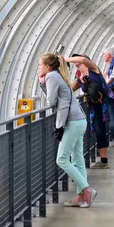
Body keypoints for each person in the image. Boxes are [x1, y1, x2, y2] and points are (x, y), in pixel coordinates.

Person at [39, 53, 96, 207]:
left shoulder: (51, 76)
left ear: (48, 66)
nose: (39, 67)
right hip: (79, 120)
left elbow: (51, 100)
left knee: (62, 159)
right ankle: (81, 196)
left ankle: (86, 189)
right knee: (77, 159)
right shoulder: (59, 75)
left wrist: (42, 83)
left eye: (40, 65)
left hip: (72, 121)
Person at [67, 54, 114, 170]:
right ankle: (104, 161)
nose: (76, 61)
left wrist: (65, 59)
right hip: (95, 104)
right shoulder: (80, 77)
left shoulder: (94, 69)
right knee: (99, 130)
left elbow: (83, 59)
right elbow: (69, 89)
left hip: (107, 100)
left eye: (77, 59)